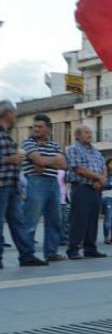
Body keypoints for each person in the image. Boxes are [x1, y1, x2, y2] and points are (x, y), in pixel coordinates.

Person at [0, 100, 48, 268]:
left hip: (11, 184)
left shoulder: (7, 134)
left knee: (18, 221)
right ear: (7, 114)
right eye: (13, 112)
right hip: (2, 184)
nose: (15, 116)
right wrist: (9, 159)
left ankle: (27, 256)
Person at [22, 113, 68, 262]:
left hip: (53, 182)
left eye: (40, 126)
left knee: (55, 219)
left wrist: (42, 161)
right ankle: (27, 254)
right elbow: (40, 160)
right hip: (35, 182)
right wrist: (50, 160)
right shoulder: (28, 142)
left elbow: (63, 164)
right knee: (31, 219)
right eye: (34, 126)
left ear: (48, 129)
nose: (36, 129)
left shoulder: (54, 144)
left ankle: (51, 252)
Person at [66, 125, 107, 259]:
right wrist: (98, 177)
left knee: (92, 219)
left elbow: (103, 167)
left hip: (95, 188)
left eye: (90, 132)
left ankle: (90, 248)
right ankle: (73, 249)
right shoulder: (73, 149)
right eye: (86, 133)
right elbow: (80, 169)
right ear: (77, 135)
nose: (89, 135)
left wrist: (100, 179)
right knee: (79, 219)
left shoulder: (96, 151)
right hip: (81, 187)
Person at [57, 169, 70, 246]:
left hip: (65, 199)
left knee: (65, 220)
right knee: (62, 220)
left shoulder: (66, 172)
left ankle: (63, 237)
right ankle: (61, 238)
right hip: (59, 199)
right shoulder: (59, 172)